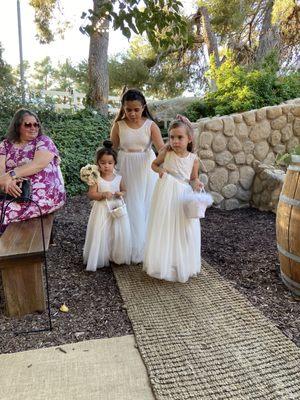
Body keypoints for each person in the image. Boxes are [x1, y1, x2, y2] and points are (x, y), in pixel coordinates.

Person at [143, 115, 204, 283]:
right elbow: (154, 164)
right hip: (166, 190)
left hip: (182, 193)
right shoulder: (167, 152)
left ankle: (181, 262)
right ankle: (164, 262)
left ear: (189, 139)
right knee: (166, 224)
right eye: (172, 137)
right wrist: (160, 171)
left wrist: (197, 183)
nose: (175, 141)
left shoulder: (193, 159)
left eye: (180, 137)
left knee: (183, 226)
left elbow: (193, 178)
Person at [110, 88, 164, 263]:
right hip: (125, 166)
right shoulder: (119, 126)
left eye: (136, 109)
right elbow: (112, 150)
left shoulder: (151, 125)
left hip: (146, 168)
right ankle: (127, 245)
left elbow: (161, 150)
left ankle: (146, 246)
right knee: (129, 203)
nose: (132, 113)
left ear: (143, 107)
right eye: (128, 110)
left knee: (145, 204)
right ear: (123, 108)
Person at [0, 108, 66, 228]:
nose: (33, 127)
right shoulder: (5, 145)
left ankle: (10, 246)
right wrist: (7, 184)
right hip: (15, 194)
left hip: (44, 195)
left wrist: (10, 176)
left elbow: (37, 165)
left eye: (36, 124)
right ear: (17, 126)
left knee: (2, 212)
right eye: (28, 124)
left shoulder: (44, 141)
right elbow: (1, 172)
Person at [82, 140, 132, 271]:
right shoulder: (95, 178)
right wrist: (102, 194)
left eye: (110, 163)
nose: (106, 166)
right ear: (98, 163)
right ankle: (101, 255)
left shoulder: (119, 177)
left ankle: (115, 255)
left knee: (116, 233)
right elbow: (91, 194)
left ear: (115, 163)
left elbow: (124, 190)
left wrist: (120, 193)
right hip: (102, 210)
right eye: (103, 163)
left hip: (116, 209)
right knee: (103, 232)